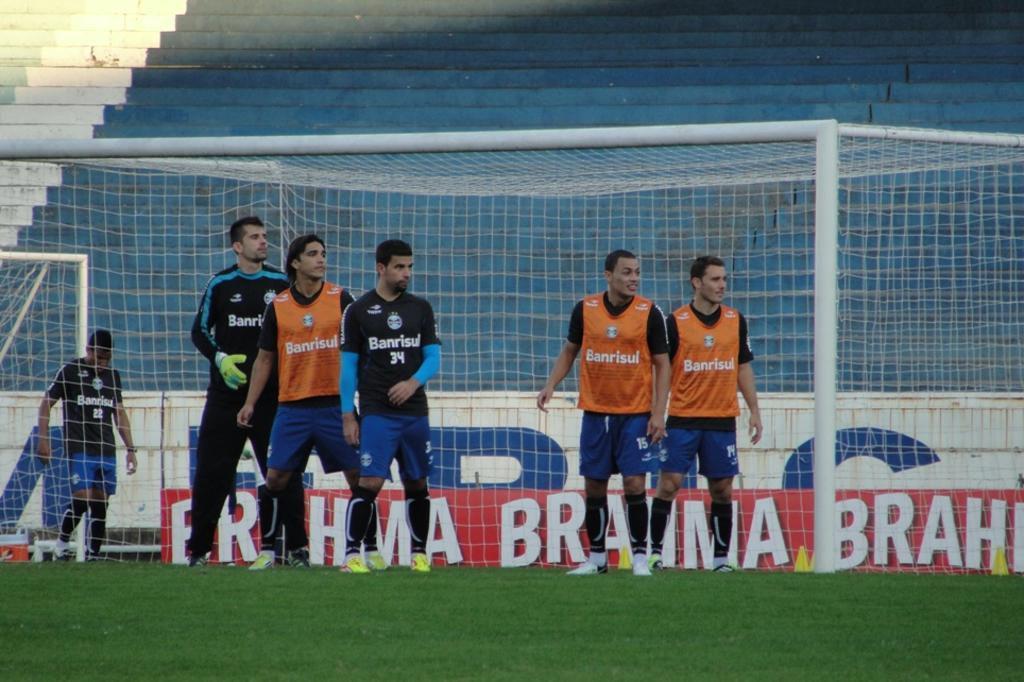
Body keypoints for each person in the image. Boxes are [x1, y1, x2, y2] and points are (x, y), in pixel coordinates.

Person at [238, 233, 382, 570]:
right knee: (275, 479)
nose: (321, 259)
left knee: (359, 478)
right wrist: (250, 403)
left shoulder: (341, 298)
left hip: (336, 406)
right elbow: (264, 359)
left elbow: (363, 350)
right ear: (295, 262)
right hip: (292, 407)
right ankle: (269, 551)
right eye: (313, 254)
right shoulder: (279, 305)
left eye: (323, 254)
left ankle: (370, 549)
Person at [537, 250, 670, 576]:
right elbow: (570, 350)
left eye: (637, 272)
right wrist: (551, 384)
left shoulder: (649, 312)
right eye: (626, 272)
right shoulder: (586, 309)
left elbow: (663, 363)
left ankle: (640, 557)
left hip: (635, 413)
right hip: (595, 413)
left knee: (635, 485)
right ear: (608, 275)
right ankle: (597, 558)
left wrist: (658, 412)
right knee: (594, 486)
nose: (634, 278)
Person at [186, 216, 307, 569]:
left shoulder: (280, 283)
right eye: (255, 237)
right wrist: (220, 358)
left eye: (265, 236)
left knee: (284, 471)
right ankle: (198, 551)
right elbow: (199, 330)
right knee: (212, 472)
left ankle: (296, 549)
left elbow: (299, 327)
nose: (263, 241)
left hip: (272, 397)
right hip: (226, 395)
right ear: (237, 246)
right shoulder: (221, 283)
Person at [648, 255, 763, 572]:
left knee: (722, 490)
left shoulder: (735, 320)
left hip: (721, 420)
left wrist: (754, 410)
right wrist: (657, 413)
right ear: (696, 282)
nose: (722, 285)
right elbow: (662, 371)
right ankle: (655, 554)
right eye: (715, 279)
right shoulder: (675, 322)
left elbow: (742, 366)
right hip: (683, 419)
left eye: (724, 279)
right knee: (668, 484)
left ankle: (721, 560)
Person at [340, 239, 442, 574]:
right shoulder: (357, 311)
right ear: (380, 268)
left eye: (410, 266)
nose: (406, 273)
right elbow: (348, 368)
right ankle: (352, 555)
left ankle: (419, 555)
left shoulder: (420, 308)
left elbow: (433, 356)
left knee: (418, 484)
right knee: (369, 483)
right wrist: (347, 415)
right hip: (378, 412)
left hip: (414, 412)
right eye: (400, 266)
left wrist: (413, 382)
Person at [37, 329, 138, 561]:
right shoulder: (70, 371)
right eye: (98, 357)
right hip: (79, 447)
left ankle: (93, 555)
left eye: (106, 358)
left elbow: (119, 414)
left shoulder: (113, 376)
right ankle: (62, 545)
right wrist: (43, 439)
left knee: (101, 504)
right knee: (82, 499)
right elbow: (46, 404)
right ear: (88, 350)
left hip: (106, 448)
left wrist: (131, 449)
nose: (102, 363)